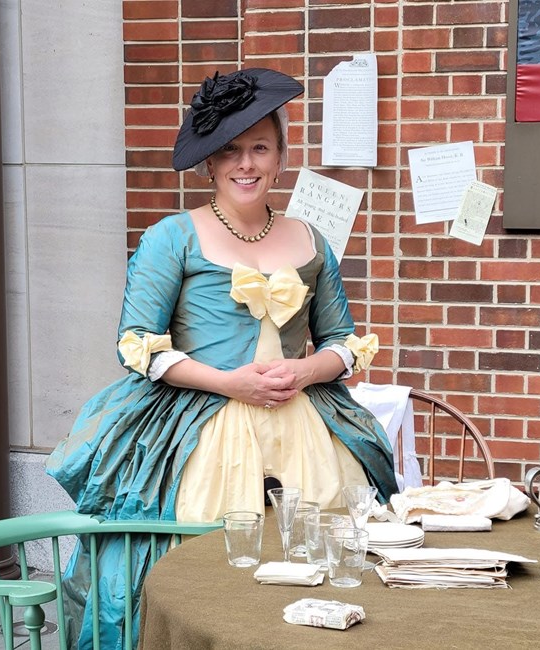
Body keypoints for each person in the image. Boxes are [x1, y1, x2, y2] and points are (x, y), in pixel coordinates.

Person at [46, 67, 398, 648]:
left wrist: (306, 371)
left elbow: (343, 342)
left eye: (260, 147)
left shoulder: (311, 239)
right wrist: (230, 384)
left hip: (304, 428)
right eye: (230, 150)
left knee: (312, 568)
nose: (246, 164)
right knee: (206, 577)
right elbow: (136, 343)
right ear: (209, 162)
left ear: (281, 157)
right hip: (199, 426)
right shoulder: (172, 237)